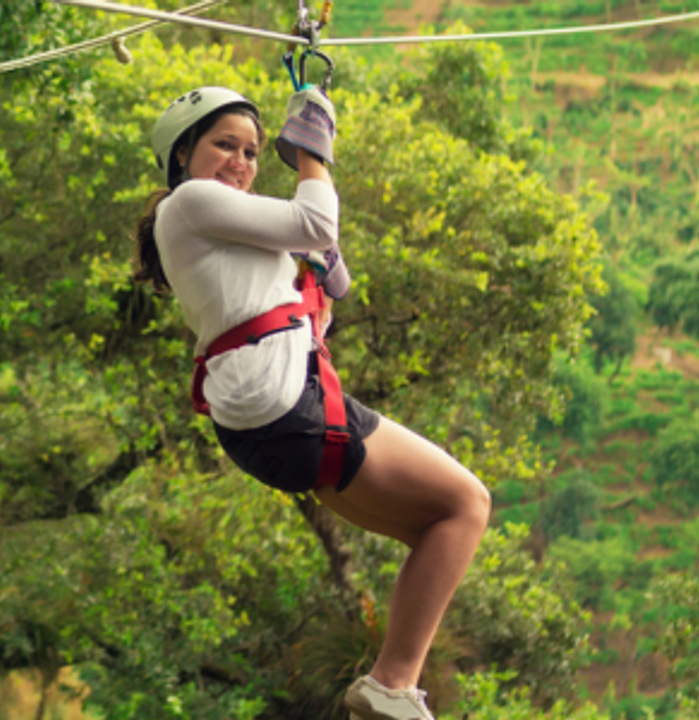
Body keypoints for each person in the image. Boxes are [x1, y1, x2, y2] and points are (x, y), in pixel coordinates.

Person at [133, 86, 492, 720]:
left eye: (250, 151)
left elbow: (310, 245)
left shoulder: (220, 230)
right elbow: (315, 221)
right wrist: (311, 155)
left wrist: (311, 267)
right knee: (467, 503)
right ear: (183, 153)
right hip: (285, 412)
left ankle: (390, 690)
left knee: (436, 531)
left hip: (268, 425)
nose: (241, 162)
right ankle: (391, 684)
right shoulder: (189, 203)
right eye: (224, 146)